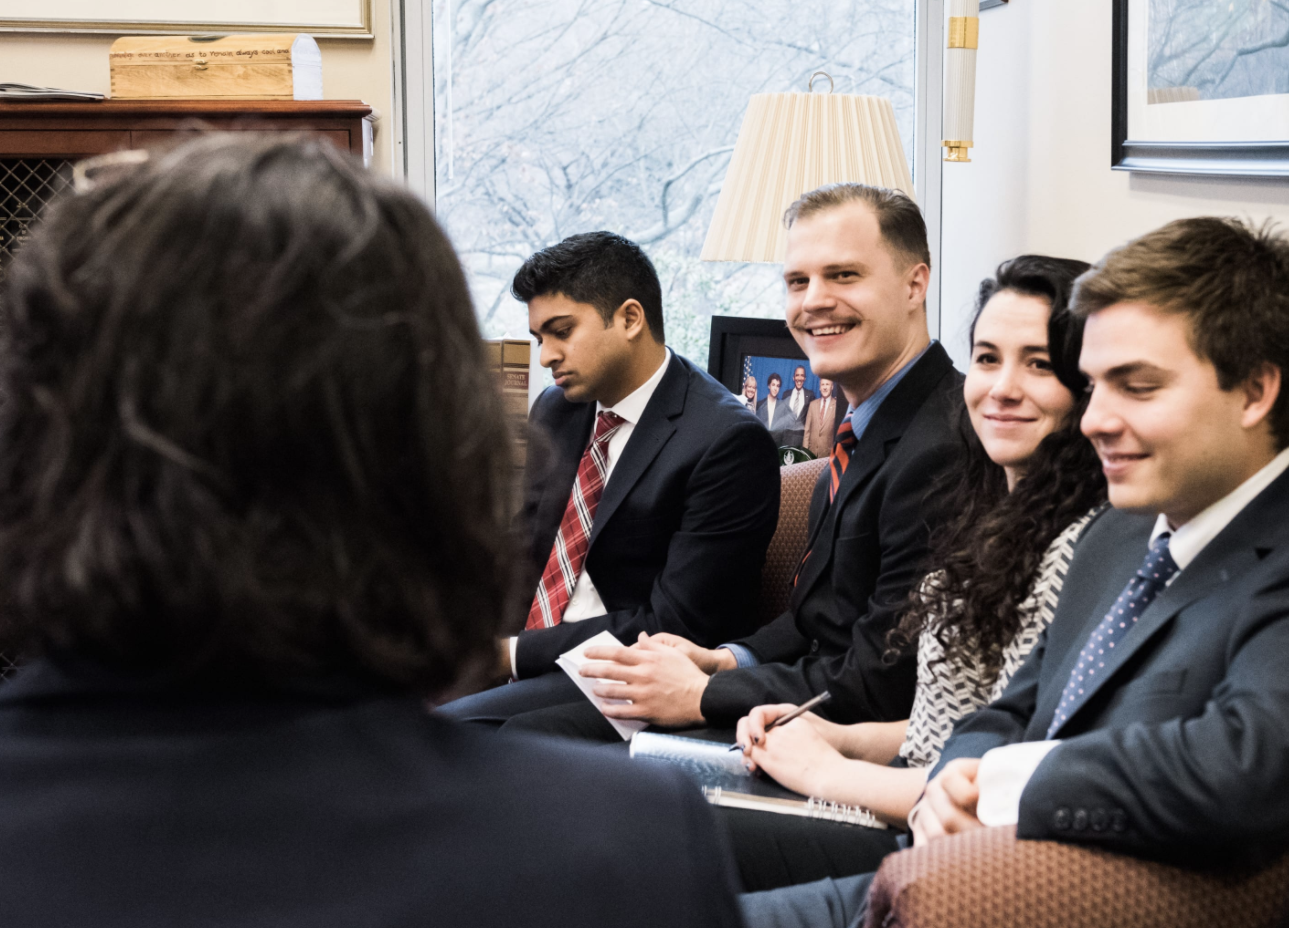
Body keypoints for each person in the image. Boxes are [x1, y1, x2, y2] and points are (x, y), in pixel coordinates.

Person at [0, 134, 744, 928]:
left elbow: (678, 617)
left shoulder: (715, 435)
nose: (548, 355)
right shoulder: (624, 849)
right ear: (440, 463)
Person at [744, 217, 1289, 928]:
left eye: (1136, 387)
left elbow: (1242, 770)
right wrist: (960, 778)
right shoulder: (1118, 535)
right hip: (937, 870)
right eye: (1093, 385)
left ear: (1255, 392)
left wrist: (992, 783)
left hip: (1025, 898)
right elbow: (1010, 709)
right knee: (644, 860)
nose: (1094, 421)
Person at [500, 182, 965, 742]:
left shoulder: (944, 445)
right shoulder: (862, 437)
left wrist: (704, 694)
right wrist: (726, 660)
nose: (813, 300)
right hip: (768, 701)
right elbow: (813, 621)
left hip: (847, 748)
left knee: (483, 749)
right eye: (797, 281)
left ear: (916, 284)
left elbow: (879, 682)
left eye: (844, 275)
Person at [724, 254, 1105, 891]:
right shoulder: (998, 514)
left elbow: (999, 777)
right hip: (892, 788)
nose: (1001, 387)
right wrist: (834, 734)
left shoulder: (1081, 548)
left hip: (931, 843)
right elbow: (949, 724)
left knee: (650, 826)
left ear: (1091, 385)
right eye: (987, 358)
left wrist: (825, 771)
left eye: (1038, 364)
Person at [437, 232, 779, 724]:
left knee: (455, 733)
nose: (546, 356)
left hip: (626, 678)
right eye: (538, 339)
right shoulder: (558, 409)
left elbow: (672, 625)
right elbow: (521, 550)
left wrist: (509, 654)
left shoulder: (726, 442)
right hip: (529, 651)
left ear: (630, 319)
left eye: (561, 331)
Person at [803, 377, 840, 457]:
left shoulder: (837, 406)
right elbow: (807, 430)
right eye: (822, 384)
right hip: (811, 453)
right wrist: (805, 452)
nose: (825, 387)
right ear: (819, 387)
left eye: (827, 384)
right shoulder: (812, 405)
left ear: (832, 387)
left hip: (828, 454)